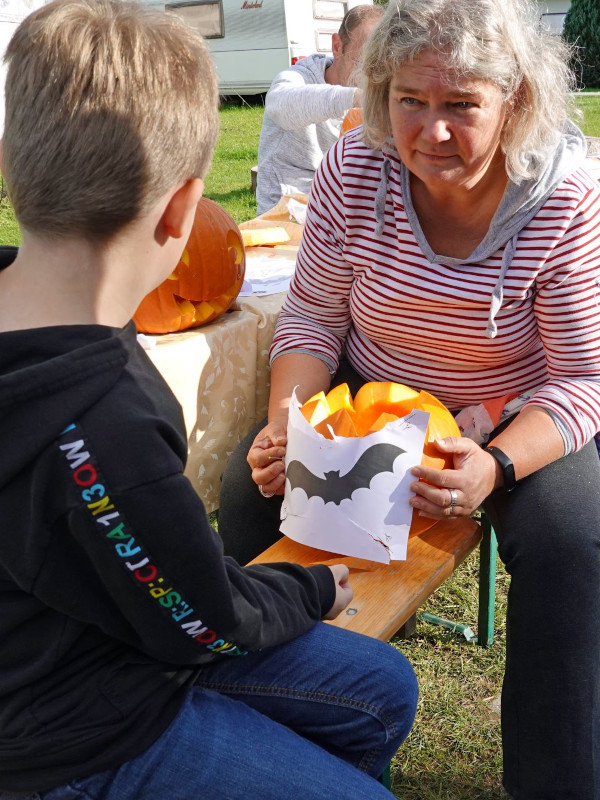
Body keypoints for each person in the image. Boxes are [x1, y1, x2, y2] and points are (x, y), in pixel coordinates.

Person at [0, 1, 419, 797]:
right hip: (73, 727)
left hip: (96, 629)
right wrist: (312, 586)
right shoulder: (98, 427)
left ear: (8, 168)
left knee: (379, 691)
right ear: (185, 211)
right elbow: (199, 619)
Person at [218, 0, 600, 797]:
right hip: (377, 393)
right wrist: (291, 425)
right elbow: (313, 322)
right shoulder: (354, 170)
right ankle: (275, 741)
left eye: (462, 104)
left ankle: (555, 781)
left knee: (575, 540)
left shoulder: (563, 196)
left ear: (516, 100)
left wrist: (494, 465)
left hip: (514, 410)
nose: (431, 132)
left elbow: (583, 378)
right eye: (410, 102)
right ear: (382, 96)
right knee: (247, 492)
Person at [255, 3, 382, 215]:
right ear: (337, 46)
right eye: (361, 62)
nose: (368, 76)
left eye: (377, 66)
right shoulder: (299, 78)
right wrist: (356, 97)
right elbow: (278, 106)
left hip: (340, 212)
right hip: (285, 212)